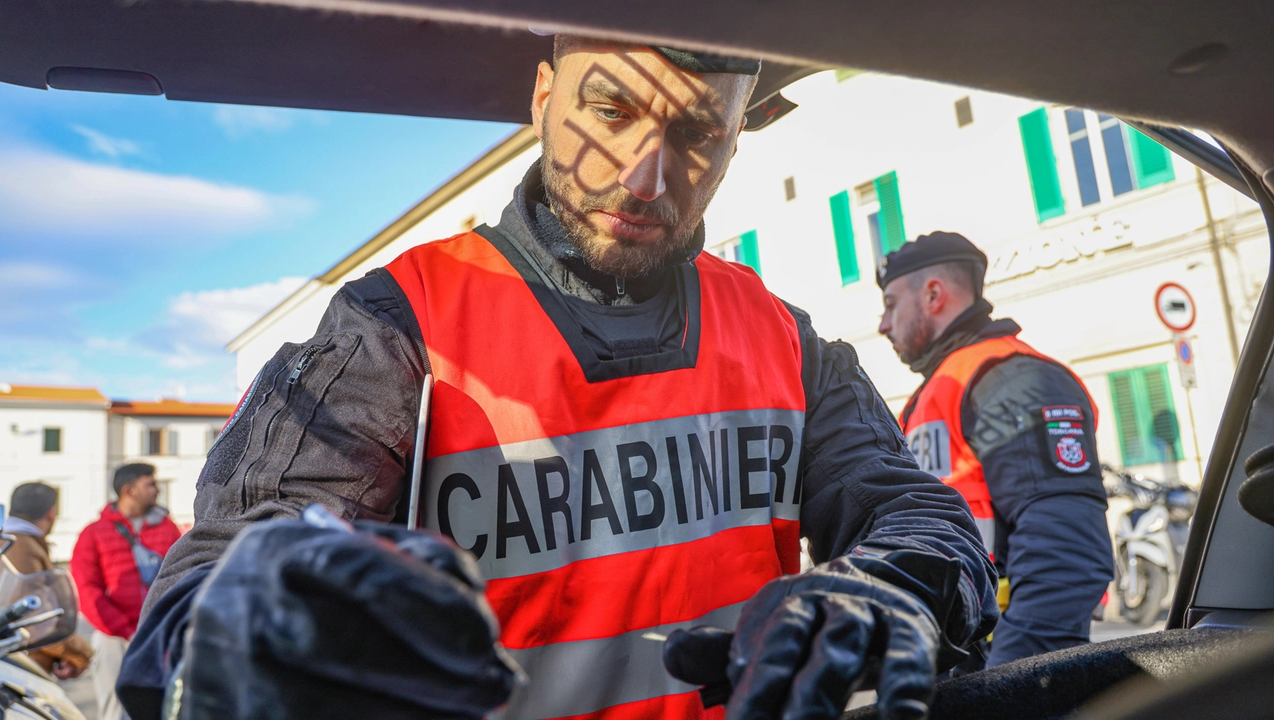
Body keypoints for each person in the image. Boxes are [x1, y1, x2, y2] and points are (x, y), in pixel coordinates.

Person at [119, 39, 998, 720]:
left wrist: (887, 588)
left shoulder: (780, 334)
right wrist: (257, 626)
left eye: (696, 133)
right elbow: (211, 580)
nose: (644, 176)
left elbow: (919, 511)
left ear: (736, 141)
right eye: (611, 109)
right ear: (545, 100)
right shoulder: (399, 324)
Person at [876, 231, 1115, 668]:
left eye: (891, 304)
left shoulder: (1014, 381)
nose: (883, 324)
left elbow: (1067, 556)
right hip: (959, 659)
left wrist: (1012, 688)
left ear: (933, 295)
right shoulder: (938, 390)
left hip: (998, 659)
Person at [72, 464, 181, 720]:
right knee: (114, 711)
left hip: (159, 633)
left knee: (166, 707)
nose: (156, 490)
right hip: (115, 637)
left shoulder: (168, 528)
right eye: (150, 484)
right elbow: (88, 591)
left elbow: (180, 577)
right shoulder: (93, 534)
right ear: (129, 490)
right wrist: (125, 629)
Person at [0, 482, 94, 679]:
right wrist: (81, 654)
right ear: (51, 513)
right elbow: (36, 620)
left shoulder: (9, 539)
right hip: (18, 669)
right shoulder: (20, 547)